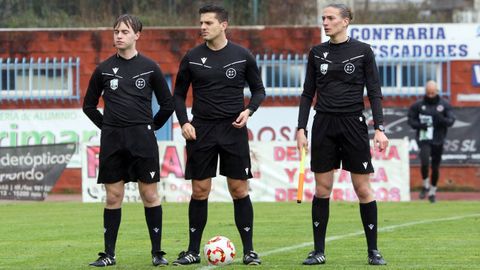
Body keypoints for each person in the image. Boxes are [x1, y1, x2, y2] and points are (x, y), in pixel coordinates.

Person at [172, 4, 266, 266]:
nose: (203, 27)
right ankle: (192, 250)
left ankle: (249, 251)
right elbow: (178, 95)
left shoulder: (242, 56)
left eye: (208, 23)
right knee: (200, 190)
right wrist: (184, 122)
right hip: (201, 130)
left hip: (233, 130)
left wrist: (249, 111)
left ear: (223, 25)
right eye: (201, 23)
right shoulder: (191, 57)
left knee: (238, 189)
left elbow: (259, 90)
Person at [296, 3, 389, 266]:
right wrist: (301, 128)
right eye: (323, 18)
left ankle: (373, 251)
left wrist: (380, 128)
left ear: (345, 21)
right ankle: (318, 251)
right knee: (322, 188)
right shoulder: (316, 53)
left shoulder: (362, 51)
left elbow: (374, 91)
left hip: (353, 124)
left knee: (363, 189)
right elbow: (307, 93)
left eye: (331, 18)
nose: (325, 22)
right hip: (324, 124)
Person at [83, 14, 174, 267]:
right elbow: (88, 106)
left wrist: (151, 127)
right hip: (113, 139)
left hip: (142, 139)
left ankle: (157, 253)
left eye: (124, 31)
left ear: (137, 35)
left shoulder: (150, 67)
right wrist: (107, 127)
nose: (118, 36)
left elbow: (167, 104)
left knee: (150, 194)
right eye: (116, 32)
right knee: (113, 196)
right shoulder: (102, 69)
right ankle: (109, 255)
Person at [408, 80, 455, 203]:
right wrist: (420, 125)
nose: (430, 95)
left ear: (437, 92)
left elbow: (451, 121)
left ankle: (433, 192)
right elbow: (411, 120)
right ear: (425, 92)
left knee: (435, 167)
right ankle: (425, 185)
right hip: (424, 139)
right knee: (424, 161)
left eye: (432, 93)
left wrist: (441, 118)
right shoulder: (418, 105)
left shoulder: (444, 104)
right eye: (428, 93)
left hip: (439, 139)